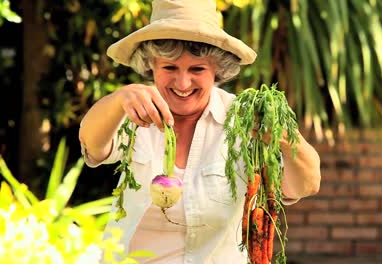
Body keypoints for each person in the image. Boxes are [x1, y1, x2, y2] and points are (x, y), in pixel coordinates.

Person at [78, 0, 321, 263]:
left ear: (217, 69)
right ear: (151, 65)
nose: (183, 83)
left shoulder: (242, 120)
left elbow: (306, 184)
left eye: (197, 69)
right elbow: (92, 145)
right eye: (170, 68)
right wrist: (119, 99)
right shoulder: (135, 107)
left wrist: (283, 137)